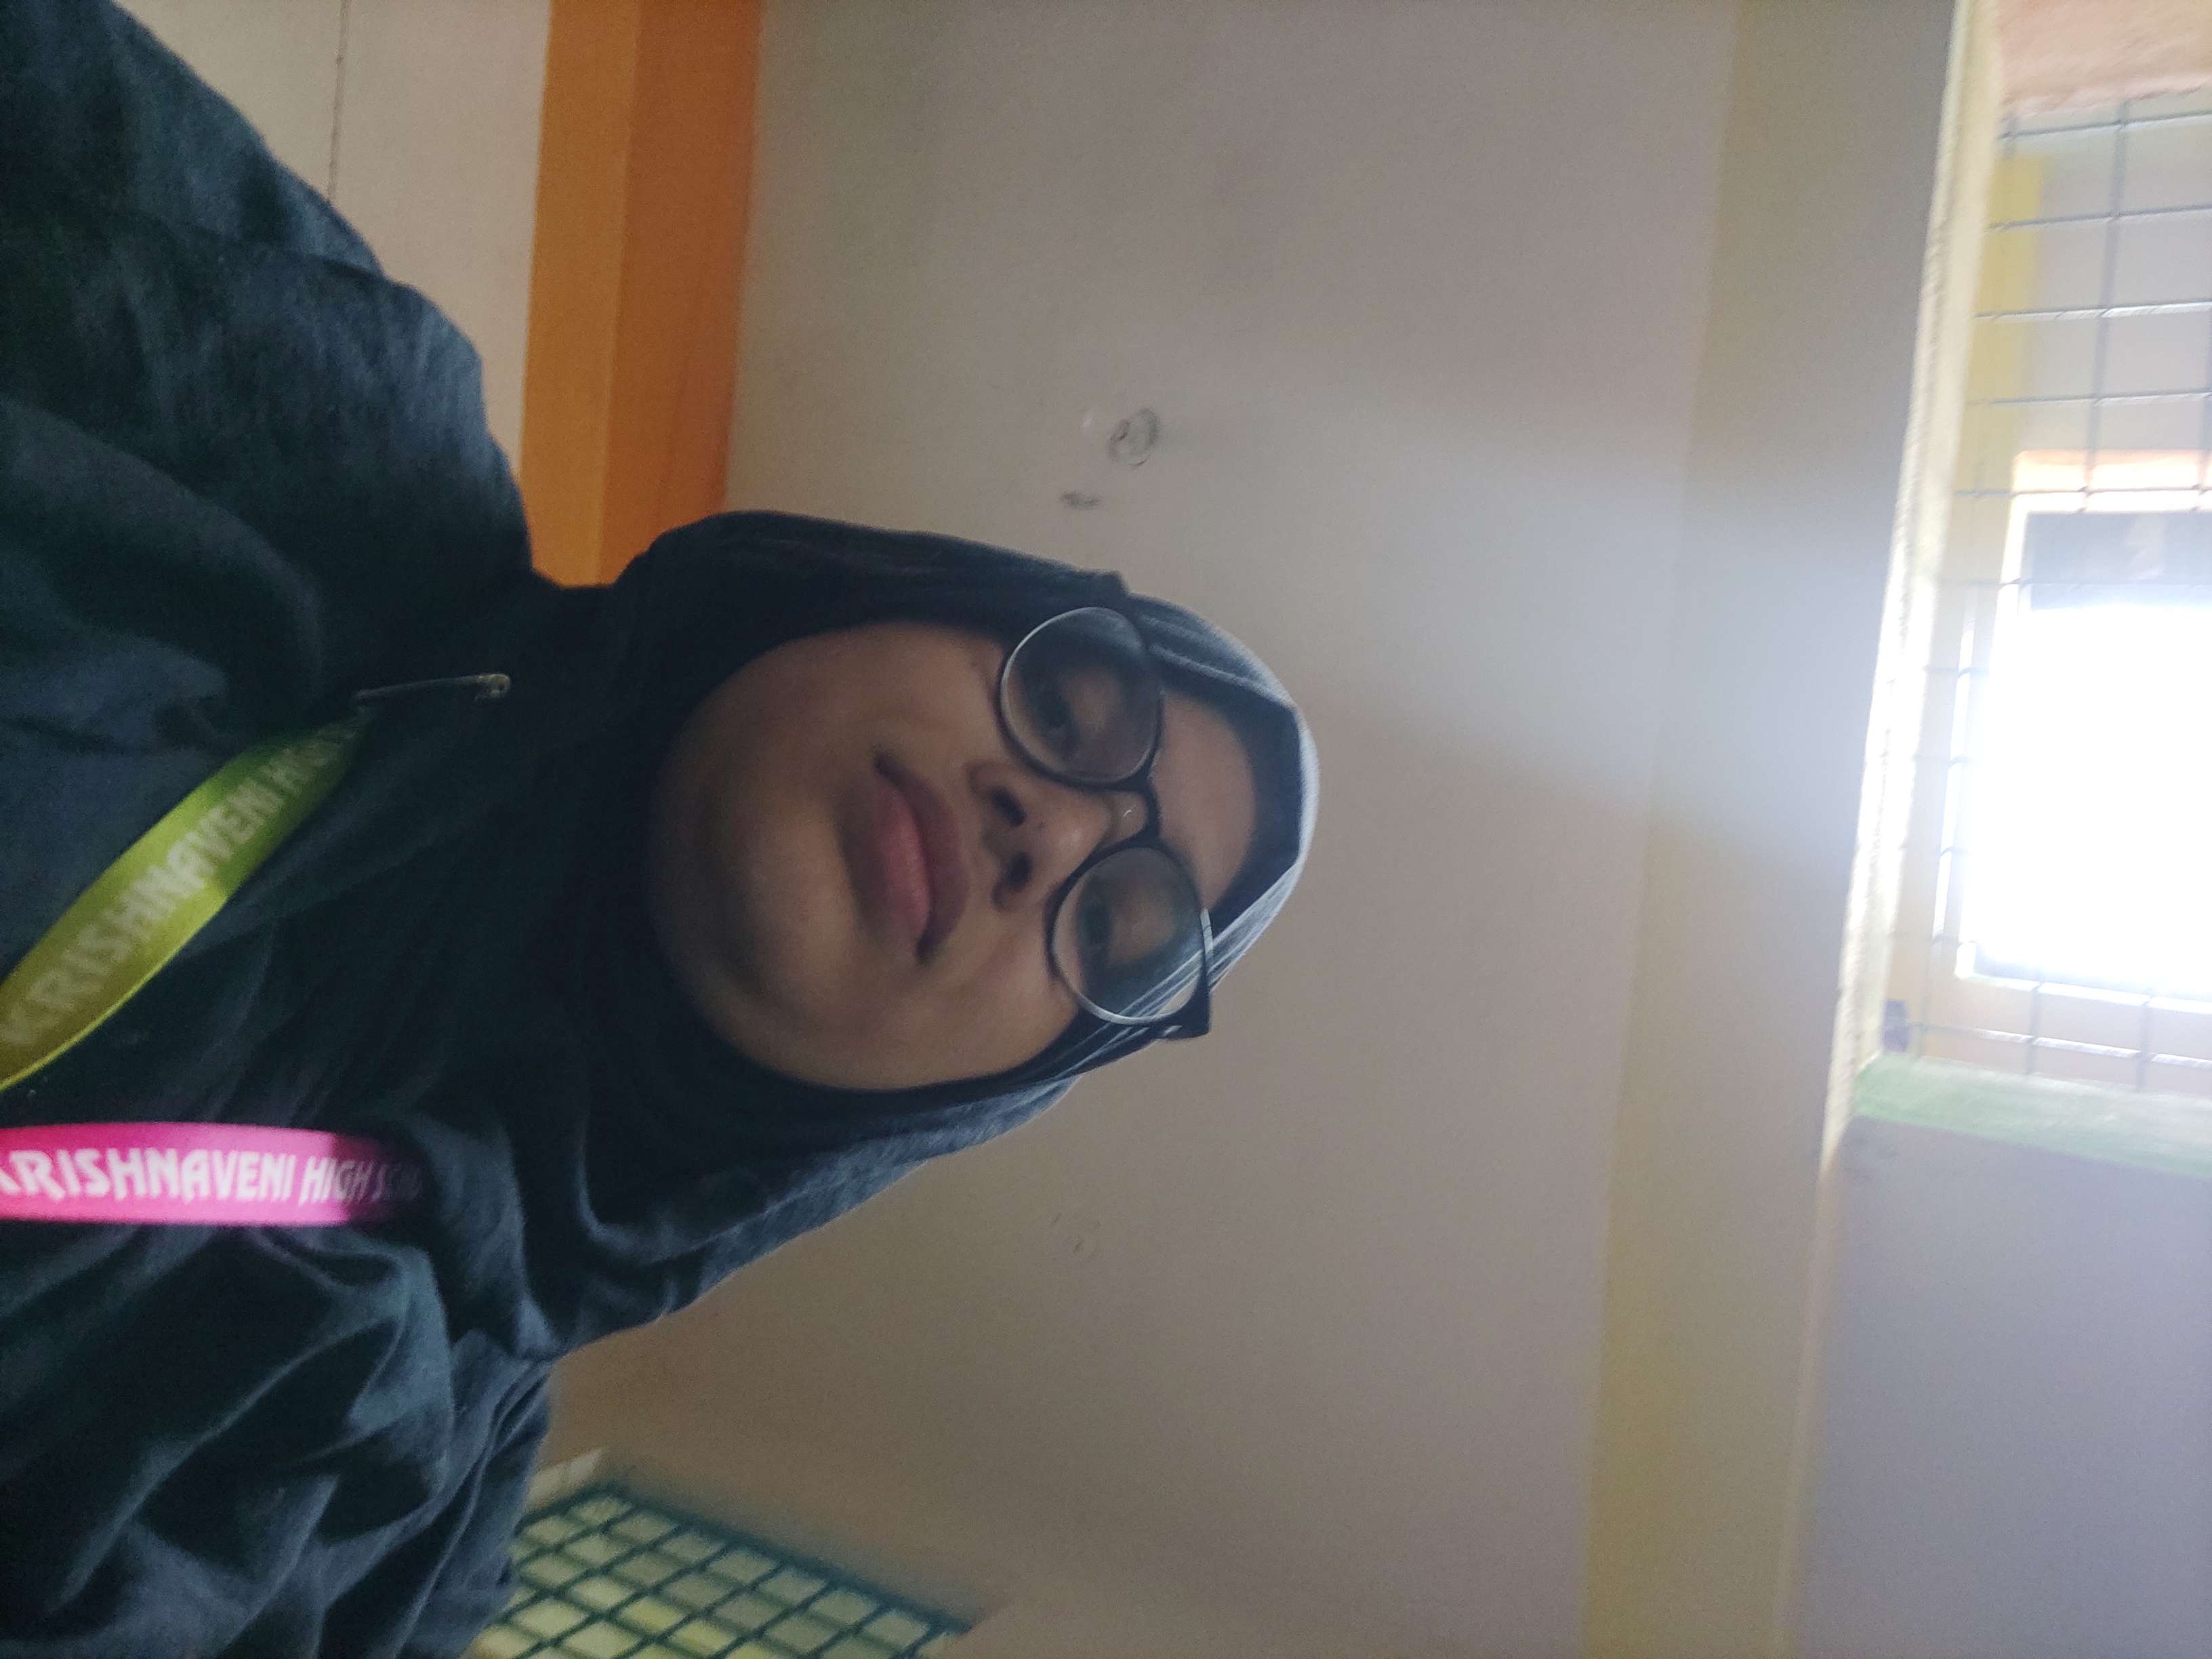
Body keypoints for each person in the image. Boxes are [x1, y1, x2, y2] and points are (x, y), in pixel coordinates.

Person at [0, 1, 1316, 1654]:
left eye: (1116, 926)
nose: (1046, 834)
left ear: (966, 1100)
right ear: (891, 600)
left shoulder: (392, 1537)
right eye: (1070, 708)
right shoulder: (317, 405)